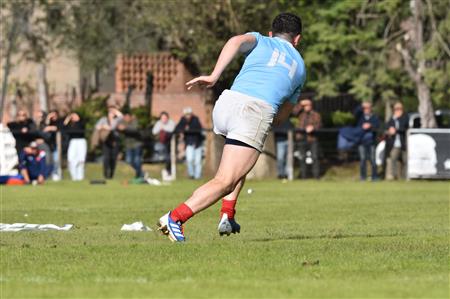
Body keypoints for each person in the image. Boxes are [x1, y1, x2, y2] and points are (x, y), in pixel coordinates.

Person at [157, 13, 306, 242]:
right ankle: (175, 218)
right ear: (297, 39)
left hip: (227, 103)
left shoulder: (261, 40)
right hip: (254, 111)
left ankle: (227, 213)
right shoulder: (301, 68)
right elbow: (282, 116)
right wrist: (268, 118)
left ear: (271, 33)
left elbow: (235, 41)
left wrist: (215, 75)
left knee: (238, 167)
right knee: (225, 180)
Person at [175, 107, 204, 179]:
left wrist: (188, 129)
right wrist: (183, 129)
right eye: (186, 114)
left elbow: (199, 129)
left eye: (189, 114)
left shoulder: (195, 119)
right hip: (189, 143)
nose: (187, 116)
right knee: (189, 159)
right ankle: (191, 174)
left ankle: (198, 176)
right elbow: (177, 128)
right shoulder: (183, 120)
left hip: (198, 143)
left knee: (198, 161)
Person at [95, 106, 123, 179]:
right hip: (106, 141)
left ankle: (111, 175)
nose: (112, 113)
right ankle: (105, 175)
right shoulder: (103, 119)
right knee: (106, 158)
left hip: (114, 141)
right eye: (110, 111)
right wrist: (103, 127)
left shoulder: (116, 120)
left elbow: (121, 116)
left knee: (113, 159)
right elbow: (97, 127)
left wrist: (115, 111)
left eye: (113, 112)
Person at [295, 99, 321, 179]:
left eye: (308, 105)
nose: (307, 107)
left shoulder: (316, 115)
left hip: (312, 138)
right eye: (305, 105)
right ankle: (303, 177)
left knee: (315, 157)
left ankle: (316, 177)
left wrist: (313, 128)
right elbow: (293, 112)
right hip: (301, 138)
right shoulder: (300, 114)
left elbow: (319, 125)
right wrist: (301, 103)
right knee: (302, 157)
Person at [354, 102, 380, 181]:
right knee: (362, 159)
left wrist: (370, 126)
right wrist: (362, 105)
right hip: (361, 142)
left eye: (368, 108)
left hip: (371, 142)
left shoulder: (374, 117)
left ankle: (374, 177)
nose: (366, 110)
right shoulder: (360, 117)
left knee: (372, 160)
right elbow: (356, 111)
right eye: (365, 108)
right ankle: (363, 177)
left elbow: (377, 126)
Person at [385, 102, 409, 180]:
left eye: (399, 109)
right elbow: (387, 126)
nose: (397, 110)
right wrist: (390, 130)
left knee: (405, 160)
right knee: (393, 159)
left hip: (403, 143)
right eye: (396, 109)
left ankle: (404, 177)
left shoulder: (405, 117)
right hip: (394, 143)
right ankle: (394, 176)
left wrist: (395, 130)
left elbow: (404, 127)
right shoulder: (392, 118)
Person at [118, 111, 143, 178]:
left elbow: (134, 129)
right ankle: (141, 173)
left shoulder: (135, 121)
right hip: (128, 145)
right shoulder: (122, 121)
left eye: (127, 117)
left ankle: (139, 175)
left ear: (130, 117)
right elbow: (118, 127)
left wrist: (125, 128)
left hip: (137, 144)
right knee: (129, 161)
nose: (126, 119)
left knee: (137, 160)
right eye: (124, 117)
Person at [152, 111, 176, 179]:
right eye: (162, 118)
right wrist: (161, 129)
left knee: (168, 158)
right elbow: (154, 132)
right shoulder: (158, 123)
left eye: (165, 118)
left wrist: (163, 128)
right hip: (161, 143)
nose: (164, 119)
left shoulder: (171, 123)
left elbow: (171, 130)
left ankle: (169, 172)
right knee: (164, 155)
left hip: (170, 144)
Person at [64, 112, 87, 181]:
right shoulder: (70, 125)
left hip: (81, 141)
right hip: (73, 141)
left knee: (81, 160)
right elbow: (64, 127)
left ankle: (80, 178)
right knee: (71, 159)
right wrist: (68, 119)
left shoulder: (81, 123)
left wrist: (77, 119)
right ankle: (74, 178)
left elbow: (82, 125)